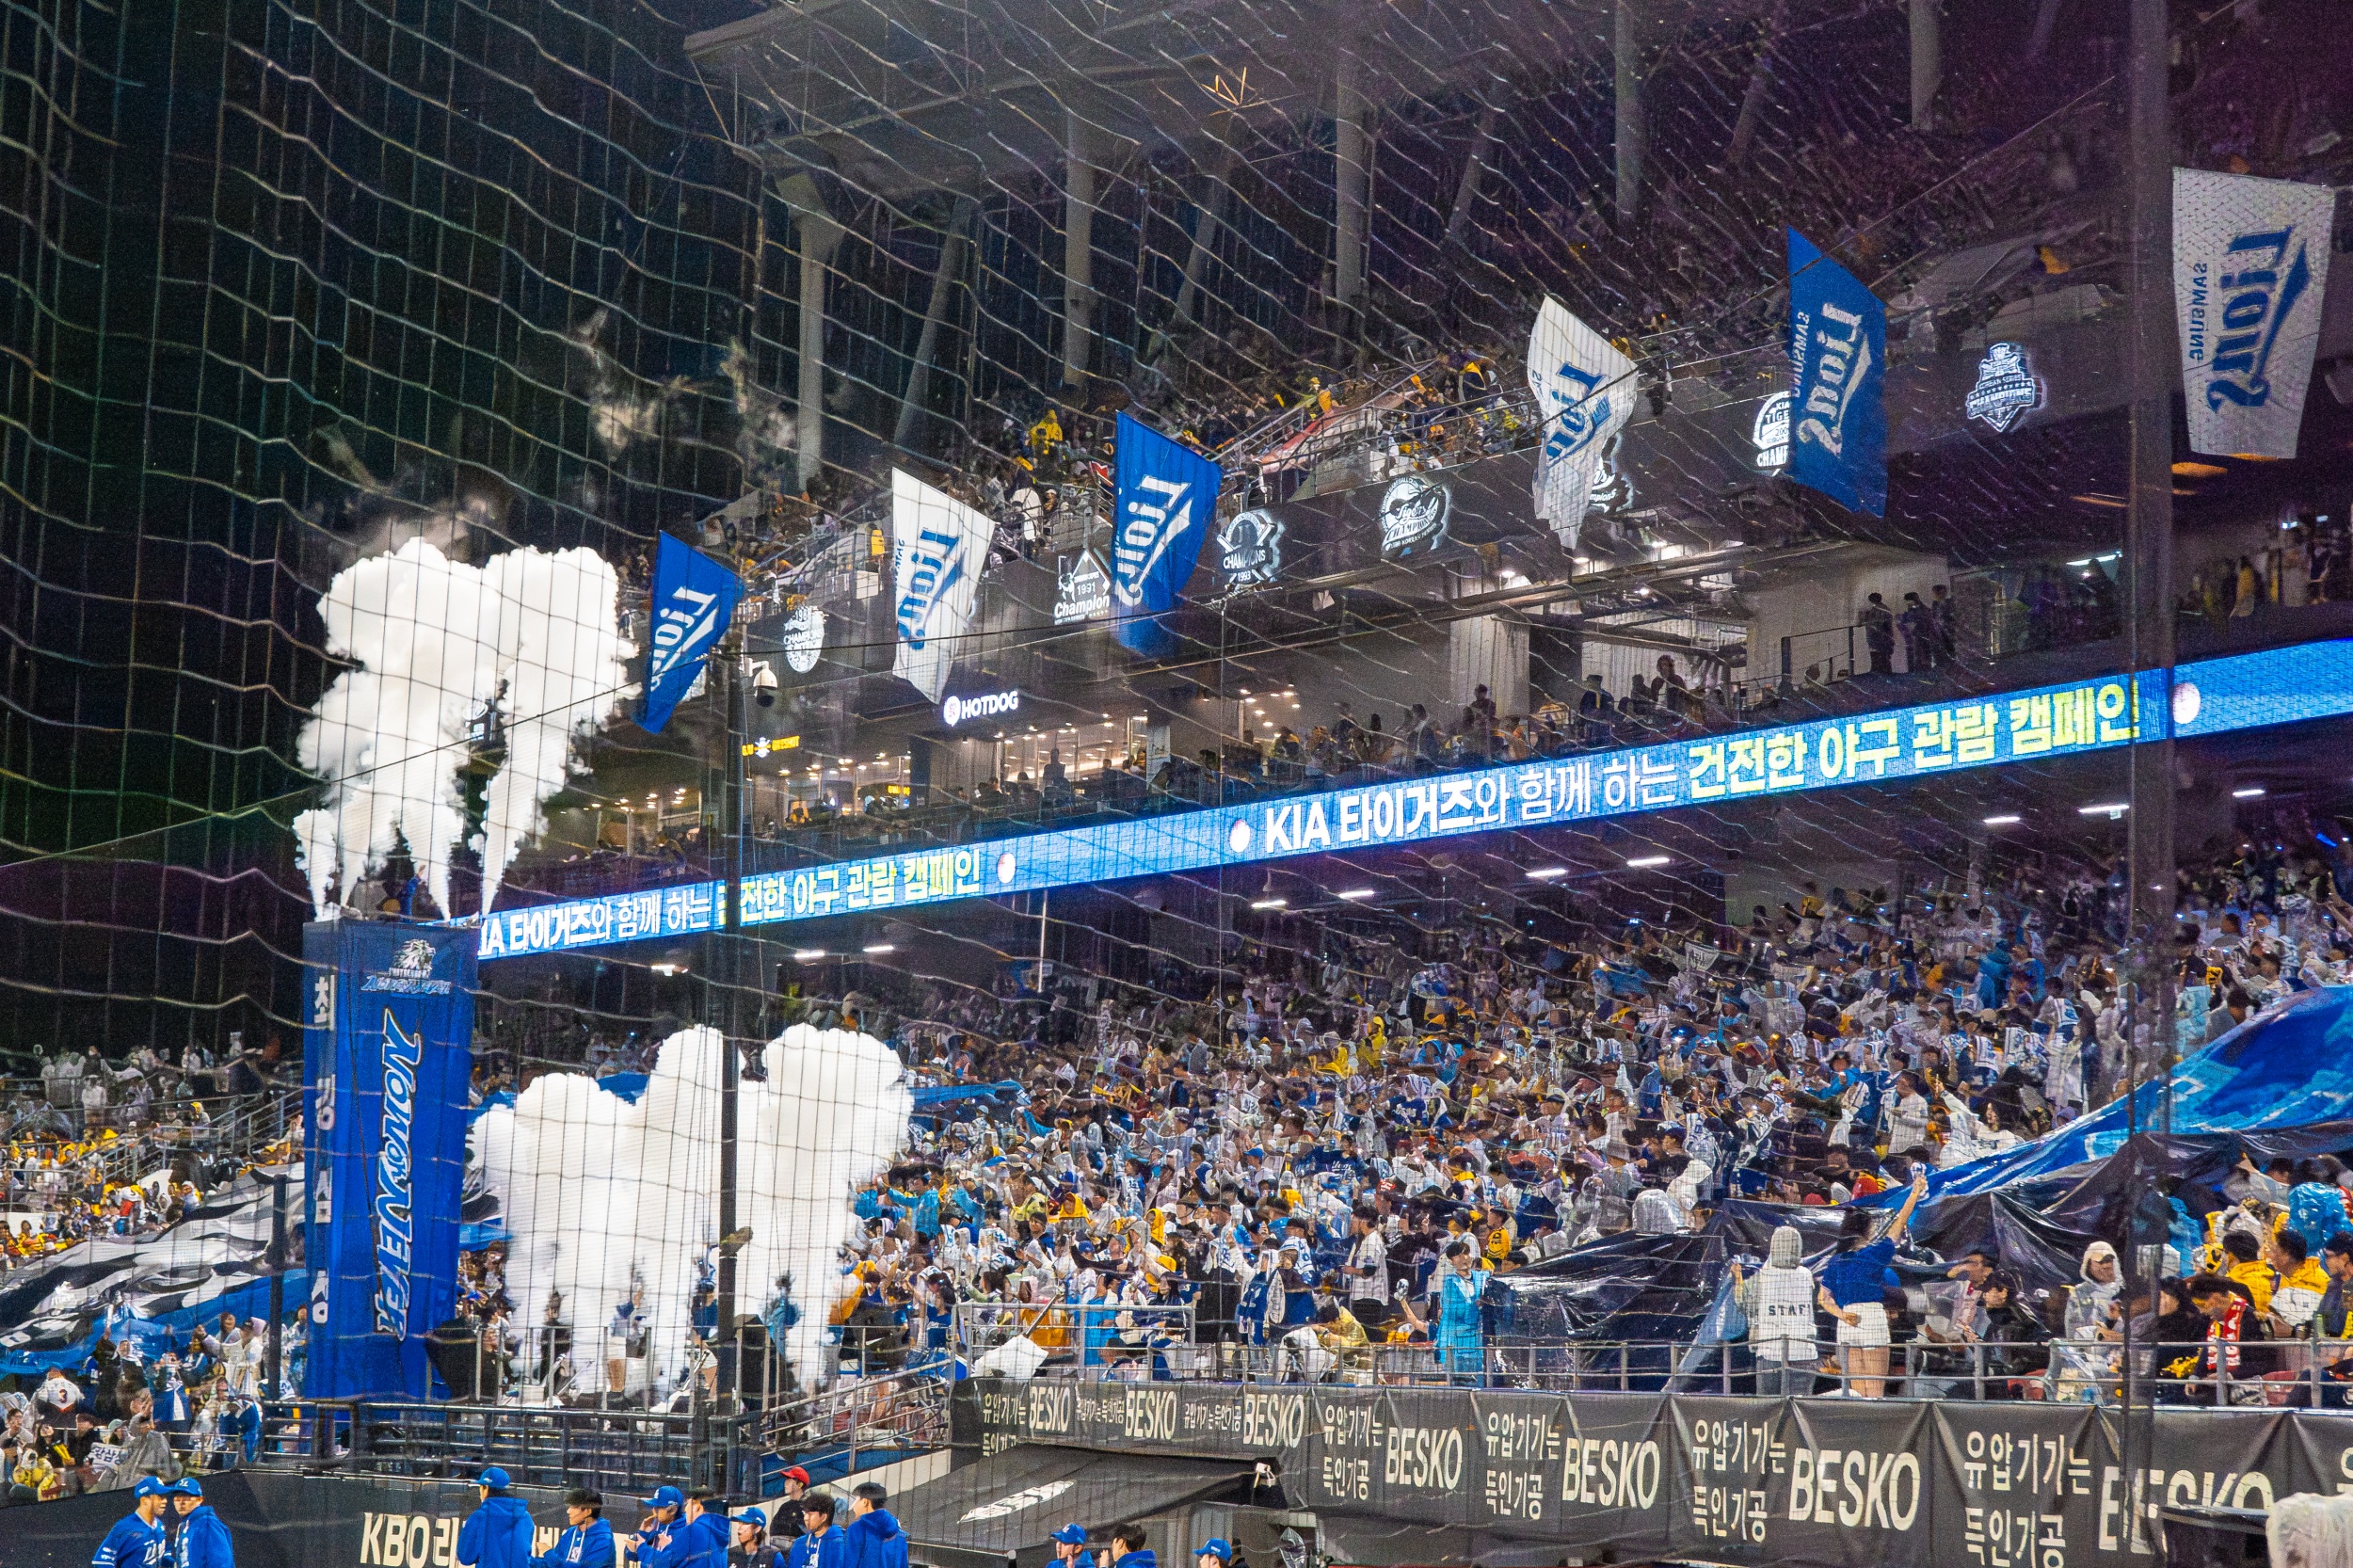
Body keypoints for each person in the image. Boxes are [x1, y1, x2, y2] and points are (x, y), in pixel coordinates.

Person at [1818, 1171, 1928, 1397]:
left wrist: (1842, 1315)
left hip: (1846, 1323)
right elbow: (1900, 1222)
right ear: (1867, 1230)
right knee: (1875, 1390)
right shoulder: (1874, 1253)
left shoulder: (1836, 1261)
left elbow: (1824, 1299)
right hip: (1871, 1319)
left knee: (1857, 1391)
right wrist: (1914, 1192)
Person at [1734, 1224, 1817, 1395]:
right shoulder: (1806, 1275)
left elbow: (1742, 1302)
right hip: (1804, 1352)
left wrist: (1737, 1278)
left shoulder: (1763, 1276)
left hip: (1770, 1352)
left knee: (1770, 1405)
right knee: (1800, 1404)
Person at [458, 1468, 536, 1568]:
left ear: (485, 1488)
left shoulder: (478, 1517)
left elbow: (465, 1557)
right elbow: (523, 1555)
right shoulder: (525, 1518)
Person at [1433, 1240, 1489, 1380]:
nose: (1464, 1258)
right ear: (1451, 1261)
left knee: (1482, 1378)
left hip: (1480, 1337)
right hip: (1457, 1341)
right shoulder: (1450, 1282)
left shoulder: (1483, 1277)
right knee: (1460, 1380)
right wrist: (1475, 1306)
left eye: (1466, 1253)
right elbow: (1452, 1311)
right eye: (1458, 1256)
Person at [92, 1477, 170, 1568]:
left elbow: (163, 1553)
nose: (165, 1501)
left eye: (165, 1497)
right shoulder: (125, 1527)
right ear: (145, 1500)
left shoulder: (159, 1525)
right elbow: (102, 1561)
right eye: (160, 1497)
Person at [531, 1490, 616, 1568]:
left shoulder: (603, 1540)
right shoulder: (570, 1533)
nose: (568, 1511)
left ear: (588, 1511)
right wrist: (528, 1561)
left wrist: (549, 1554)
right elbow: (551, 1564)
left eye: (574, 1507)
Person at [169, 1479, 234, 1568]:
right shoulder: (186, 1524)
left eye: (187, 1498)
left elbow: (221, 1562)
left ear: (200, 1499)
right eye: (177, 1498)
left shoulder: (208, 1523)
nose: (181, 1502)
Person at [840, 1484, 905, 1568]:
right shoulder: (899, 1534)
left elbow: (849, 1564)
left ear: (865, 1502)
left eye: (856, 1500)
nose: (853, 1507)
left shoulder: (856, 1529)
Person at [785, 1496, 844, 1568]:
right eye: (804, 1514)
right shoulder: (799, 1543)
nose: (806, 1518)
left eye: (810, 1514)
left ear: (824, 1517)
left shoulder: (840, 1544)